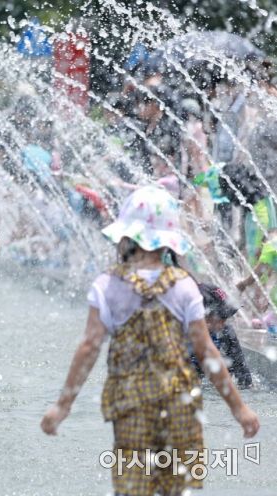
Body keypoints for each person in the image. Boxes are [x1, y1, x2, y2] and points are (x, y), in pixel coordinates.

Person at [40, 186, 260, 496]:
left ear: (125, 237)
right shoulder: (185, 286)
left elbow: (89, 347)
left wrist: (62, 406)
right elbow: (206, 350)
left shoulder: (108, 285)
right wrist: (240, 409)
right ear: (168, 243)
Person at [190, 283, 252, 388]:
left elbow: (243, 374)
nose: (223, 323)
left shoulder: (226, 333)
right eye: (220, 317)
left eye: (226, 318)